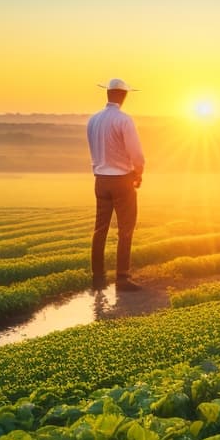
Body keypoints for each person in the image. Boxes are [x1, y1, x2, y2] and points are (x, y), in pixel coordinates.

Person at [88, 78, 146, 291]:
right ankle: (122, 278)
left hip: (100, 179)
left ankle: (98, 278)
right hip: (122, 179)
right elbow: (136, 154)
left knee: (99, 229)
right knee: (125, 229)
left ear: (108, 94)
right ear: (124, 96)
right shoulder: (124, 120)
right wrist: (138, 173)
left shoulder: (93, 120)